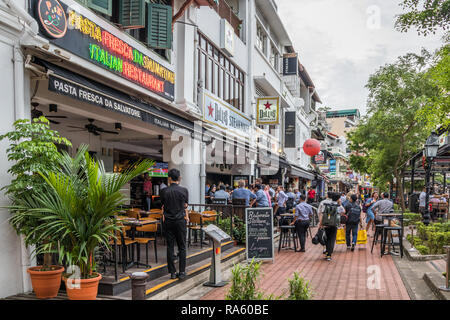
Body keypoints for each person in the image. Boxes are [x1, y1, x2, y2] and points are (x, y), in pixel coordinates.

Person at [160, 169, 189, 280]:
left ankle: (172, 272)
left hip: (168, 221)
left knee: (170, 246)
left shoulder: (164, 191)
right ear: (179, 178)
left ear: (169, 178)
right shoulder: (184, 190)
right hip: (180, 221)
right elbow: (185, 205)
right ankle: (182, 272)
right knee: (182, 246)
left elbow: (162, 206)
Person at [318, 192, 344, 261]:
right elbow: (343, 211)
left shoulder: (327, 204)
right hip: (334, 225)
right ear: (338, 199)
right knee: (332, 239)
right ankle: (329, 254)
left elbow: (323, 214)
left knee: (327, 238)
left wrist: (321, 224)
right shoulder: (338, 206)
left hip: (326, 224)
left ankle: (327, 252)